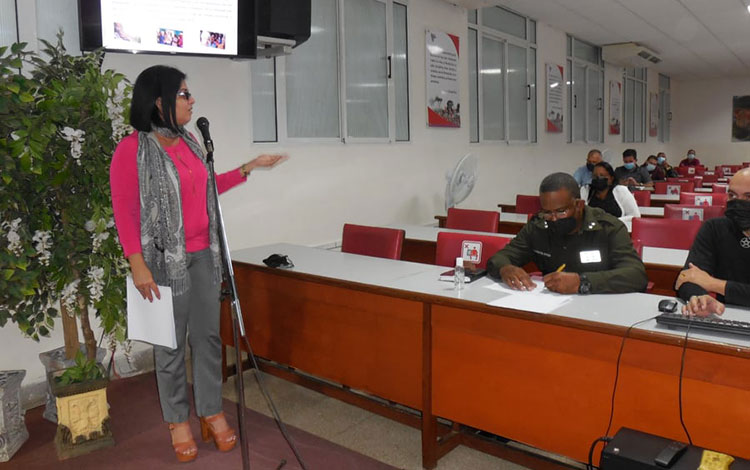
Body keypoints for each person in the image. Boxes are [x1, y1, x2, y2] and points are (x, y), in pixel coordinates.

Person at [110, 65, 284, 463]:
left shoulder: (190, 142)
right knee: (169, 346)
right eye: (184, 94)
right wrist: (137, 265)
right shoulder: (132, 151)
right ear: (160, 101)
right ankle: (178, 420)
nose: (192, 101)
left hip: (204, 256)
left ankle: (211, 410)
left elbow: (207, 185)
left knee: (207, 340)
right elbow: (125, 211)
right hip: (162, 265)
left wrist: (247, 168)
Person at [486, 172, 647, 295]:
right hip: (550, 305)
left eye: (561, 211)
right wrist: (505, 269)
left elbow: (636, 275)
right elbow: (500, 257)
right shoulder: (538, 226)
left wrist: (583, 282)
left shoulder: (608, 228)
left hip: (598, 306)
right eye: (547, 212)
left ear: (579, 205)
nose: (554, 219)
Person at [675, 167, 750, 316]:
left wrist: (714, 284)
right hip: (728, 315)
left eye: (749, 197)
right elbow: (688, 277)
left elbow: (704, 279)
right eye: (732, 195)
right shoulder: (714, 228)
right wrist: (698, 298)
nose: (739, 203)